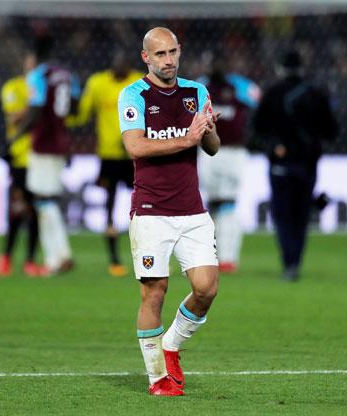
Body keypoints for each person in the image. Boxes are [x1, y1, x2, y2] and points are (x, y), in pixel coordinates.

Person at [118, 27, 221, 396]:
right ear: (146, 57)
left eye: (173, 52)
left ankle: (172, 344)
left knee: (207, 288)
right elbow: (136, 147)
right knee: (155, 291)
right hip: (151, 211)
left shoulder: (197, 91)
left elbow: (211, 147)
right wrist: (188, 139)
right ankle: (157, 377)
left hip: (191, 210)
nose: (169, 60)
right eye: (160, 54)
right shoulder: (133, 95)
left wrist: (207, 130)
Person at [252, 49, 338, 281]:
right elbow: (331, 130)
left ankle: (289, 261)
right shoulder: (316, 94)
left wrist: (275, 144)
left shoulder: (272, 93)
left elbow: (257, 128)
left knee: (282, 214)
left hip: (280, 163)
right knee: (301, 213)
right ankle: (295, 261)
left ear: (280, 68)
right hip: (308, 162)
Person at [67, 49, 143, 277]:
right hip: (108, 156)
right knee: (109, 207)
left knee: (145, 206)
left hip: (135, 154)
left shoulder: (140, 82)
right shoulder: (98, 83)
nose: (119, 66)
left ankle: (149, 257)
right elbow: (81, 115)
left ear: (130, 64)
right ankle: (114, 260)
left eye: (123, 62)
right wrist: (66, 112)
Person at [10, 35, 79, 275]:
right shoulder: (68, 74)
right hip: (61, 140)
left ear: (35, 55)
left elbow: (37, 110)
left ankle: (59, 257)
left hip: (43, 141)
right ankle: (56, 256)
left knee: (42, 199)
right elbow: (74, 106)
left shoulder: (38, 75)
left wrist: (16, 136)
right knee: (47, 198)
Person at [198, 61, 258, 274]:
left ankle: (226, 258)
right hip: (214, 152)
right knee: (218, 204)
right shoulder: (204, 87)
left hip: (227, 153)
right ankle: (218, 257)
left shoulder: (231, 86)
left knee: (225, 204)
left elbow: (260, 103)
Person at [0, 52, 49, 278]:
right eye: (31, 64)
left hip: (39, 157)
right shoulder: (13, 87)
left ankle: (29, 261)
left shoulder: (44, 90)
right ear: (24, 66)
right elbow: (13, 117)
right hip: (18, 156)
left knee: (36, 211)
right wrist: (37, 105)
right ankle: (6, 257)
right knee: (17, 209)